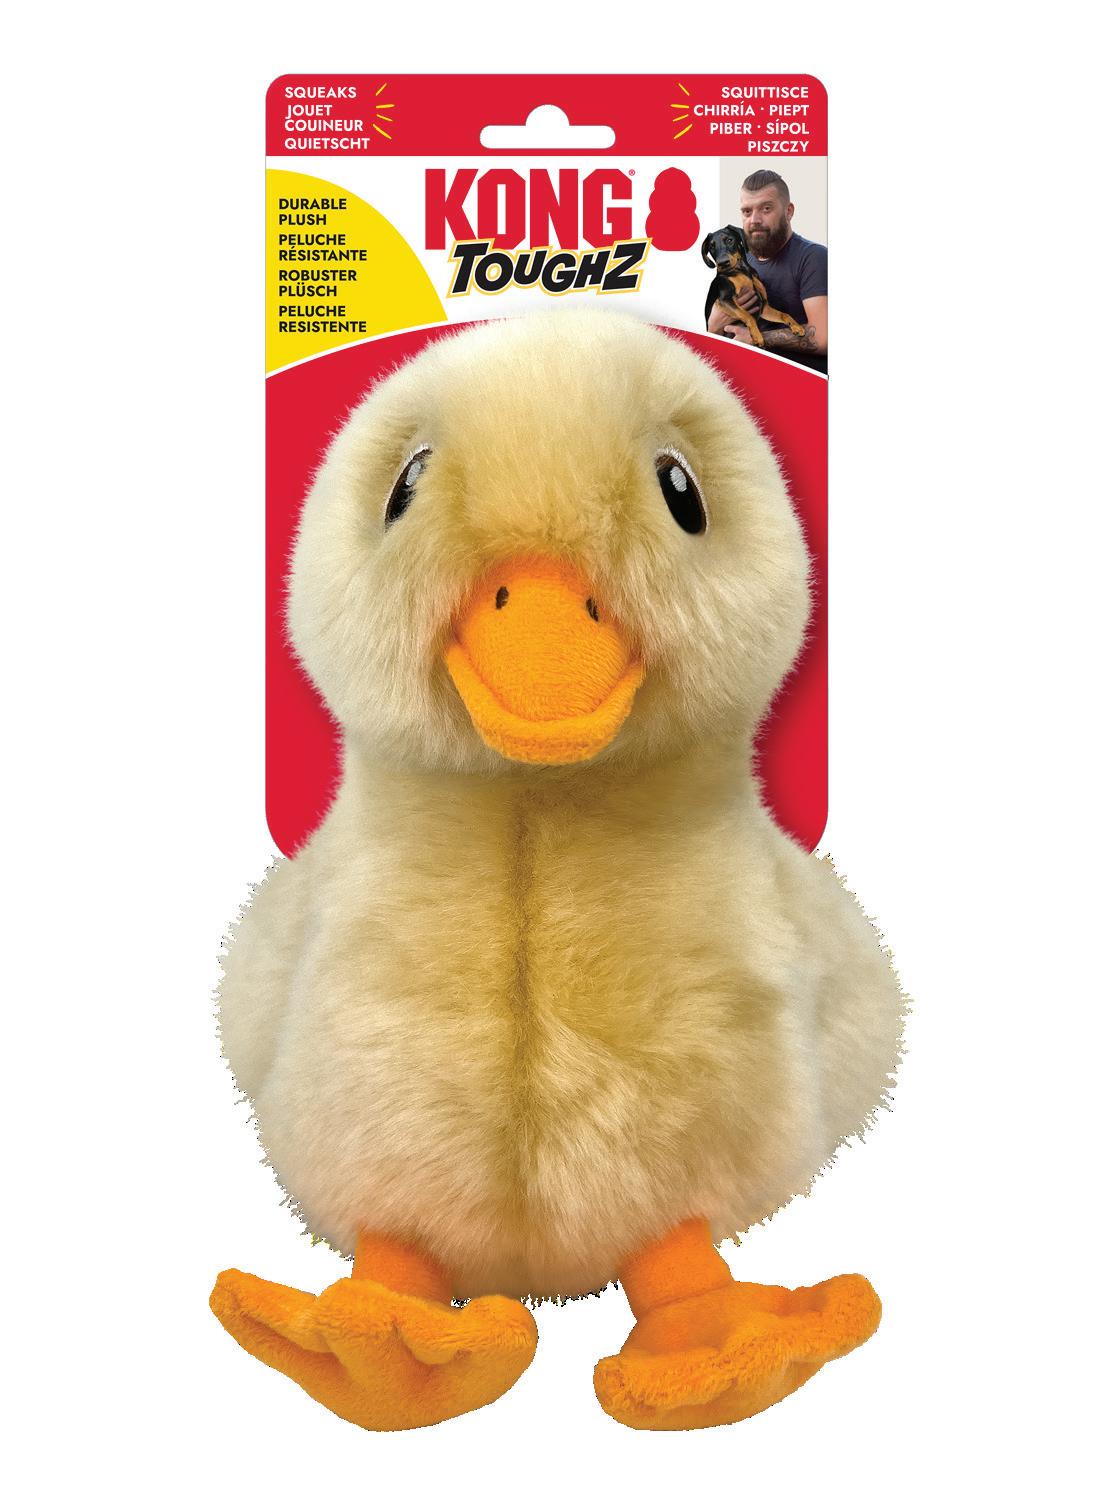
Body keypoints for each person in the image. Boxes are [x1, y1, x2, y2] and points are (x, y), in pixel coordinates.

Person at [705, 170, 828, 373]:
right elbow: (716, 339)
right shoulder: (738, 260)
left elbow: (823, 338)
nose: (754, 219)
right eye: (747, 211)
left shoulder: (814, 257)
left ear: (789, 211)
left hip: (801, 382)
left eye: (766, 208)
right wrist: (714, 326)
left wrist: (755, 337)